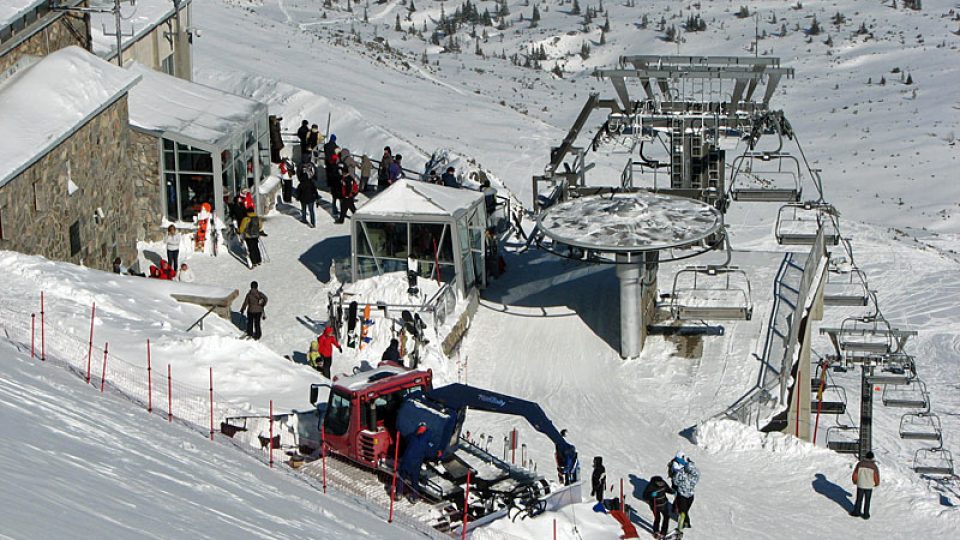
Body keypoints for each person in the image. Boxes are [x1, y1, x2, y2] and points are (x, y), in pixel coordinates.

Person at [671, 452, 699, 531]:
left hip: (685, 495)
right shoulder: (693, 476)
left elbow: (676, 481)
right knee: (684, 510)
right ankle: (686, 523)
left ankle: (684, 522)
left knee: (684, 510)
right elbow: (676, 481)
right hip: (687, 495)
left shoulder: (683, 474)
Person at [850, 451, 880, 519]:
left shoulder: (860, 464)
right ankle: (866, 514)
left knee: (859, 499)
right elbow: (876, 476)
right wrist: (876, 483)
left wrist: (855, 481)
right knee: (867, 500)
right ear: (872, 457)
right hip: (869, 486)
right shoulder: (874, 466)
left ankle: (856, 512)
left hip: (860, 484)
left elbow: (855, 474)